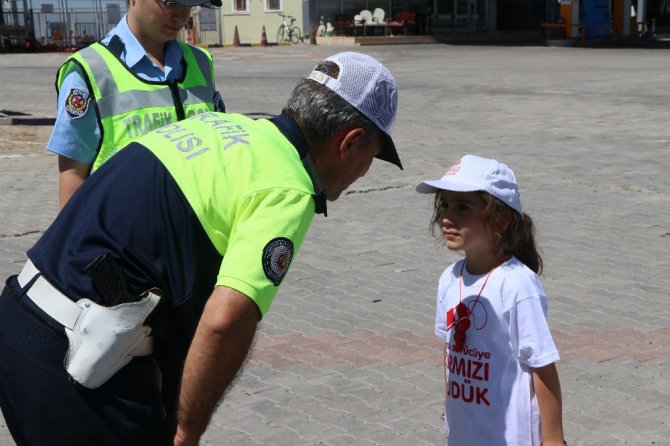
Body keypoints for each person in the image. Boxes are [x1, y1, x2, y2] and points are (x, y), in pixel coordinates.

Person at [0, 51, 401, 446]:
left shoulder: (216, 126)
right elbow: (226, 322)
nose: (365, 173)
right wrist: (186, 431)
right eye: (373, 156)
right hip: (77, 370)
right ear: (350, 144)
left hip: (19, 327)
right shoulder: (287, 186)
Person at [415, 155, 566, 446]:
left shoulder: (517, 284)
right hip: (464, 434)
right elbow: (450, 355)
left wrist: (554, 440)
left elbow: (542, 367)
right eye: (445, 205)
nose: (447, 217)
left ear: (500, 218)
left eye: (462, 207)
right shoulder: (450, 278)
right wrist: (452, 410)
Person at [47, 0, 226, 208]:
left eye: (190, 4)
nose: (182, 15)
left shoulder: (200, 61)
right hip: (125, 234)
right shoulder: (89, 70)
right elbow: (73, 174)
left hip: (200, 228)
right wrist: (75, 239)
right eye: (171, 3)